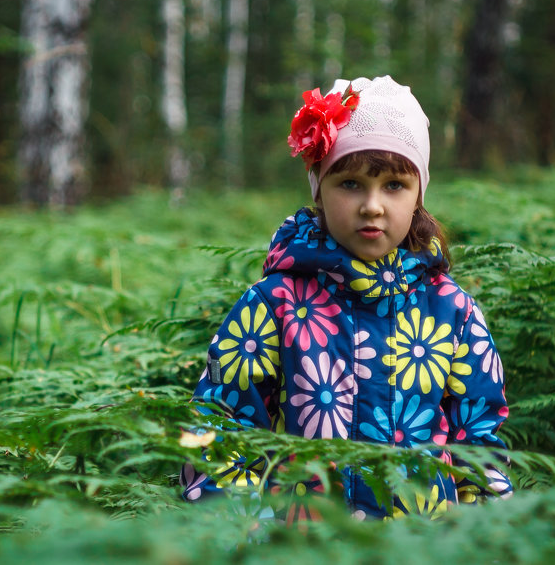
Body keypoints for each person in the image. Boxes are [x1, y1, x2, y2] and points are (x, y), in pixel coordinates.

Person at [180, 75, 512, 521]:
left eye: (394, 185)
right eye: (350, 183)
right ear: (319, 187)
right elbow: (219, 430)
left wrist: (485, 539)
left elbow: (480, 442)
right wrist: (244, 538)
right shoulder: (273, 305)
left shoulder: (452, 311)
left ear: (418, 195)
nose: (372, 205)